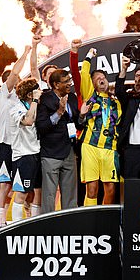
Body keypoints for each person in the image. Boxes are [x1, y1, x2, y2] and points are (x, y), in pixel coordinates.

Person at [0, 43, 36, 230]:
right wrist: (25, 52)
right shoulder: (4, 94)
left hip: (20, 148)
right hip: (4, 145)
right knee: (4, 185)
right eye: (13, 78)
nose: (17, 80)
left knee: (22, 187)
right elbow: (15, 73)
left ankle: (23, 221)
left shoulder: (22, 98)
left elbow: (34, 73)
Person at [77, 46, 122, 205]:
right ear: (93, 84)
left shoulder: (116, 103)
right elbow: (84, 73)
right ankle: (89, 222)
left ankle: (105, 222)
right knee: (92, 189)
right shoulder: (90, 96)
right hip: (90, 146)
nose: (101, 79)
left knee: (110, 189)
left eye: (103, 77)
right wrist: (89, 55)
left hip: (110, 149)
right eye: (97, 78)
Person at [35, 69, 82, 214]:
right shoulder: (45, 99)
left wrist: (83, 115)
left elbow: (77, 124)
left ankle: (69, 223)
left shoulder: (72, 98)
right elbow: (42, 126)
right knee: (49, 194)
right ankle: (48, 226)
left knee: (70, 194)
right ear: (56, 85)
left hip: (69, 151)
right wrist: (59, 112)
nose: (69, 84)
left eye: (69, 80)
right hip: (51, 153)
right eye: (66, 81)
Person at [9, 79, 42, 221]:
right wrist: (35, 100)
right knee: (22, 193)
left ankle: (35, 225)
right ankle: (15, 226)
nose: (41, 93)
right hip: (23, 156)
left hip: (37, 153)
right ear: (30, 95)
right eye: (38, 91)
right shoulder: (16, 108)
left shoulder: (36, 106)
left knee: (37, 193)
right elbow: (28, 121)